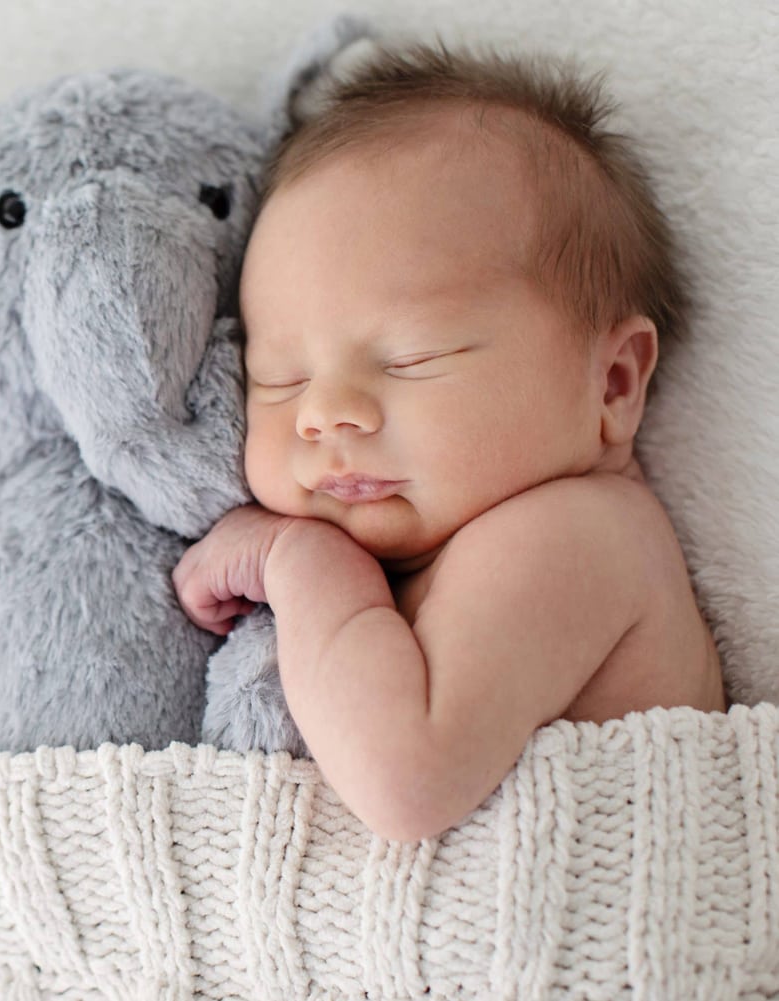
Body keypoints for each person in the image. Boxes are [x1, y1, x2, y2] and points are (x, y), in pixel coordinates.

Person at [172, 41, 727, 842]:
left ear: (611, 384)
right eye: (281, 378)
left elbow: (409, 778)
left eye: (411, 357)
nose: (325, 414)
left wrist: (298, 563)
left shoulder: (580, 534)